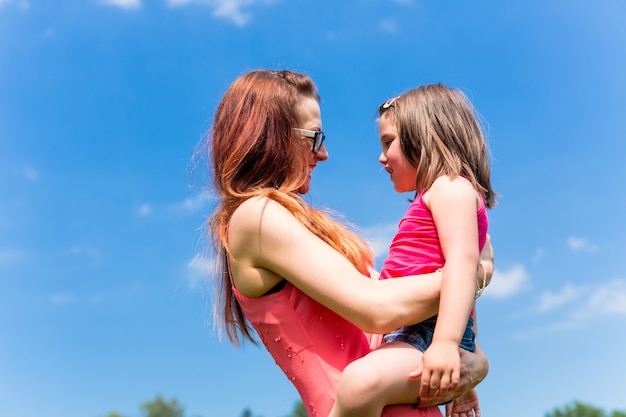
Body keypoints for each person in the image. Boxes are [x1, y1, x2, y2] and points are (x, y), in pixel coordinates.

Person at [199, 69, 493, 417]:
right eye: (314, 137)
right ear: (271, 137)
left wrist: (473, 366)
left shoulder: (292, 223)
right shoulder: (256, 216)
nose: (323, 154)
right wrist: (473, 273)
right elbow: (379, 310)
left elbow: (406, 328)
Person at [329, 84, 497, 417]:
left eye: (388, 142)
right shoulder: (434, 197)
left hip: (429, 335)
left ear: (425, 137)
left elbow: (462, 270)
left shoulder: (451, 189)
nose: (381, 157)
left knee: (359, 383)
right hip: (414, 332)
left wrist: (449, 346)